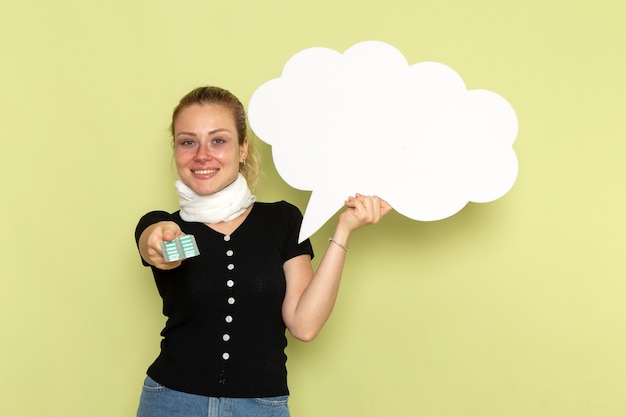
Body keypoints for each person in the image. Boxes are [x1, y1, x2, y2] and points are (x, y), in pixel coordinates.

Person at [135, 86, 391, 417]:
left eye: (218, 140)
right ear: (177, 150)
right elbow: (154, 241)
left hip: (260, 407)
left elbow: (304, 325)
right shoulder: (165, 225)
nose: (202, 154)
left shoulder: (283, 220)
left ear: (242, 149)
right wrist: (160, 239)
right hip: (171, 402)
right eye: (188, 142)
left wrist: (344, 230)